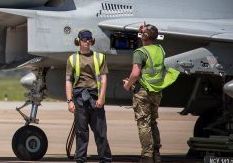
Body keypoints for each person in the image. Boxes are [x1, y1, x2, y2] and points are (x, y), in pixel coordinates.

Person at [122, 23, 179, 163]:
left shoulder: (140, 52)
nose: (141, 34)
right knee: (153, 122)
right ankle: (156, 153)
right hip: (156, 91)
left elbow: (135, 74)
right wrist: (144, 31)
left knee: (143, 123)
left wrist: (128, 85)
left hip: (143, 91)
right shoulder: (160, 49)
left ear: (145, 36)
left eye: (142, 33)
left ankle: (147, 156)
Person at [65, 29, 112, 163]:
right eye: (84, 40)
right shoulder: (72, 59)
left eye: (88, 40)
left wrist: (101, 97)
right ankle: (80, 159)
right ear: (78, 41)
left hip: (95, 96)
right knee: (81, 132)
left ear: (91, 41)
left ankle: (105, 159)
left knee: (100, 132)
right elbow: (68, 81)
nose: (86, 42)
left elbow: (103, 79)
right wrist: (69, 101)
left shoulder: (100, 57)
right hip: (79, 98)